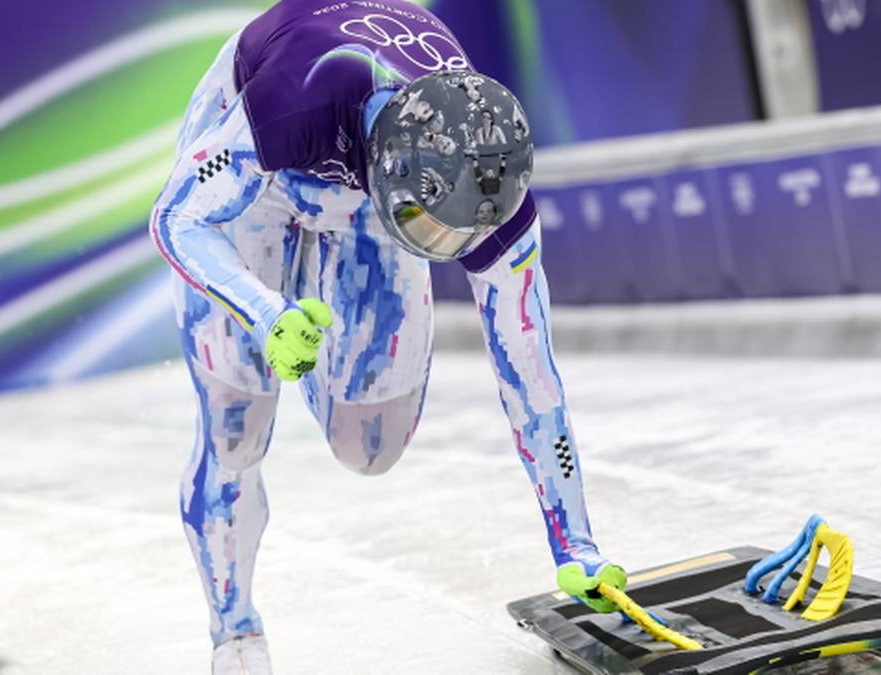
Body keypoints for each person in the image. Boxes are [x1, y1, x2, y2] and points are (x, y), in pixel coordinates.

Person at [149, 2, 625, 672]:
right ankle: (236, 632)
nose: (450, 249)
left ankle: (323, 295)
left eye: (452, 240)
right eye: (431, 234)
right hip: (264, 169)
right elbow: (176, 217)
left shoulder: (492, 191)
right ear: (392, 175)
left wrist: (576, 545)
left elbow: (532, 373)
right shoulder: (290, 101)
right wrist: (262, 311)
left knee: (369, 445)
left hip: (373, 192)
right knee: (237, 427)